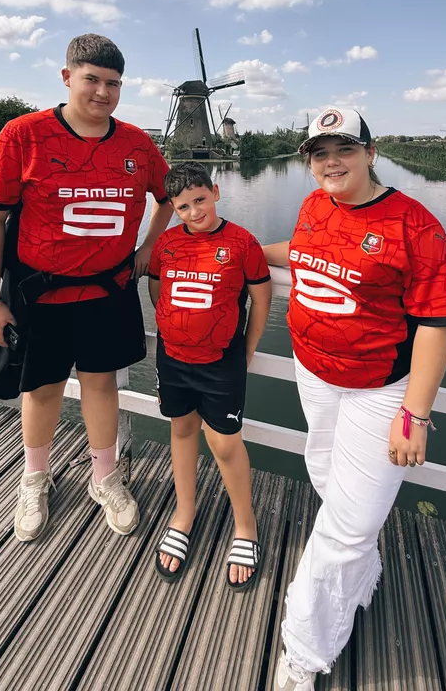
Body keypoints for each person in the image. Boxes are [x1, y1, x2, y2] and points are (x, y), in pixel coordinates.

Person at [264, 107, 446, 690]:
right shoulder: (313, 205)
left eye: (344, 149)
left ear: (371, 154)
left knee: (350, 524)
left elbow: (437, 322)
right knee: (326, 474)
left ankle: (303, 651)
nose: (331, 162)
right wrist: (238, 247)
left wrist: (415, 412)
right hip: (314, 372)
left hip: (379, 389)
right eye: (319, 153)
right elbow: (302, 253)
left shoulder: (415, 225)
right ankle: (358, 574)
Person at [0, 34, 173, 542]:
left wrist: (150, 245)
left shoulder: (136, 143)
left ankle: (104, 478)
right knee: (42, 389)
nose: (103, 92)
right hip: (41, 294)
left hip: (109, 290)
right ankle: (34, 478)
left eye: (114, 83)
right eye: (92, 80)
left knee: (102, 385)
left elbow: (169, 195)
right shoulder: (23, 135)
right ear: (67, 77)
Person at [148, 163, 272, 590]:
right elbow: (156, 289)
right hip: (173, 358)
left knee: (224, 443)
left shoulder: (242, 242)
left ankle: (245, 525)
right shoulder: (166, 243)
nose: (194, 211)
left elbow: (261, 299)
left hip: (221, 362)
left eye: (200, 200)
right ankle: (185, 513)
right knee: (182, 429)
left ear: (215, 192)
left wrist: (248, 346)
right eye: (183, 206)